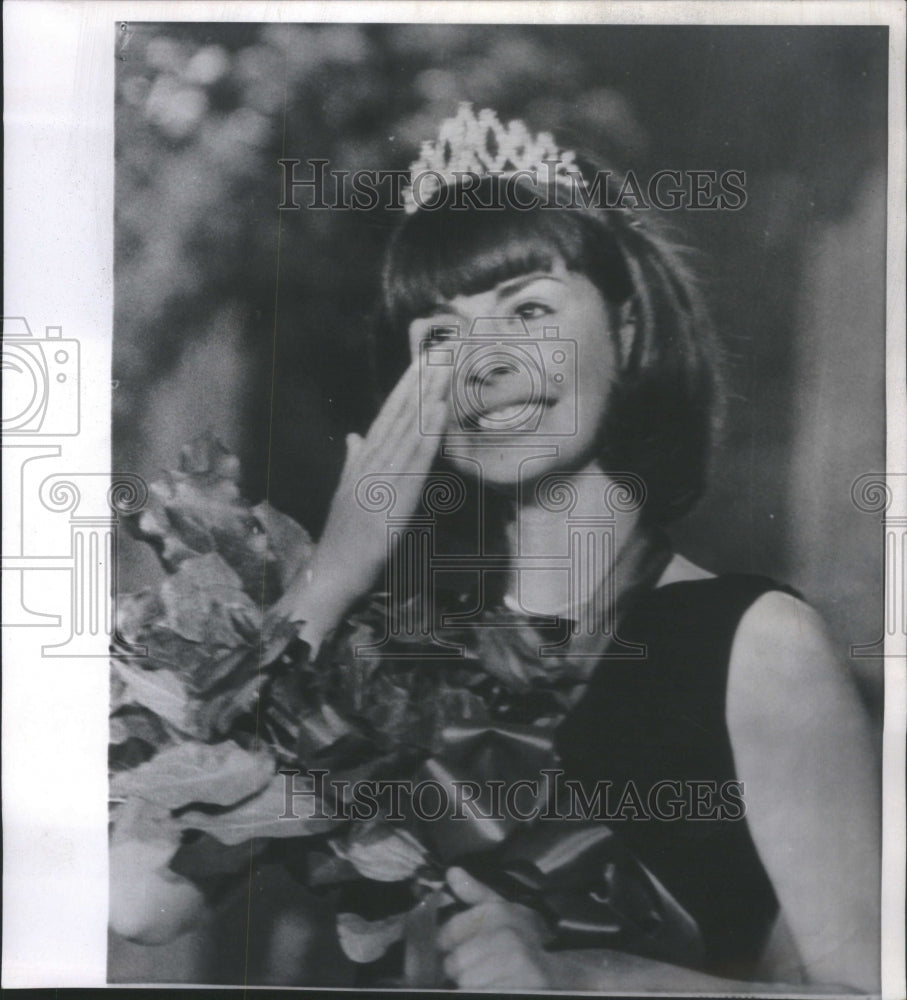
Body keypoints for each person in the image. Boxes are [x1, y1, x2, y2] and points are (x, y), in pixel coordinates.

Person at [113, 105, 880, 992]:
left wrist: (586, 980)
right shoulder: (375, 653)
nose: (481, 360)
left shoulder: (757, 643)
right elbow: (140, 906)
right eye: (440, 334)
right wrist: (332, 577)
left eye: (528, 311)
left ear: (627, 336)